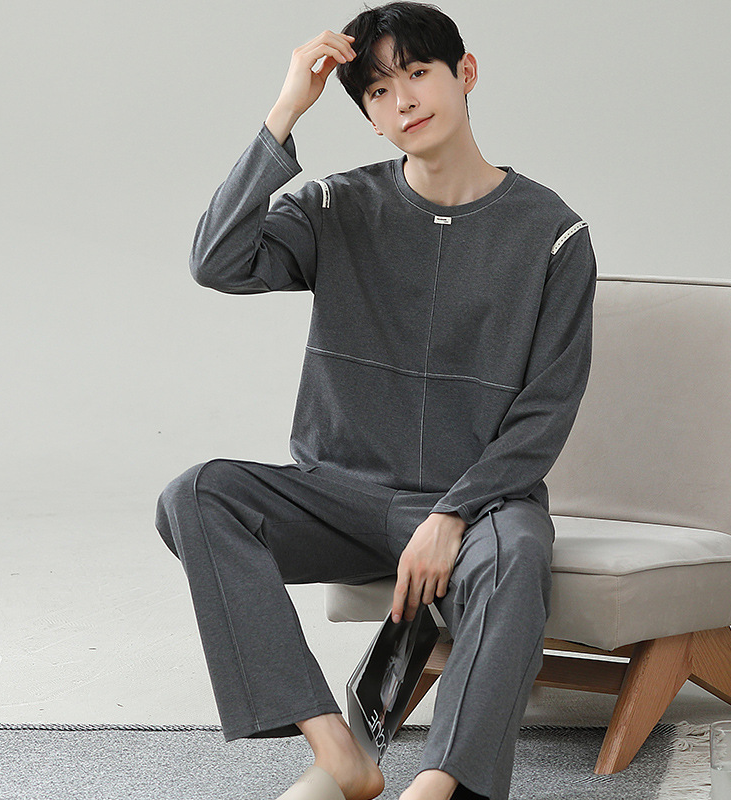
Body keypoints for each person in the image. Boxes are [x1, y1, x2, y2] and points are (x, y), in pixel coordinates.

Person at [155, 2, 597, 799]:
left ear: (465, 73)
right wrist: (286, 109)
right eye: (379, 91)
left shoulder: (553, 234)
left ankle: (440, 785)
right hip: (342, 498)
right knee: (196, 495)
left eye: (418, 73)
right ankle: (338, 750)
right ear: (367, 116)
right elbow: (218, 260)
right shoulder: (336, 207)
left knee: (519, 554)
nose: (404, 101)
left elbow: (547, 409)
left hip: (480, 509)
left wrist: (453, 513)